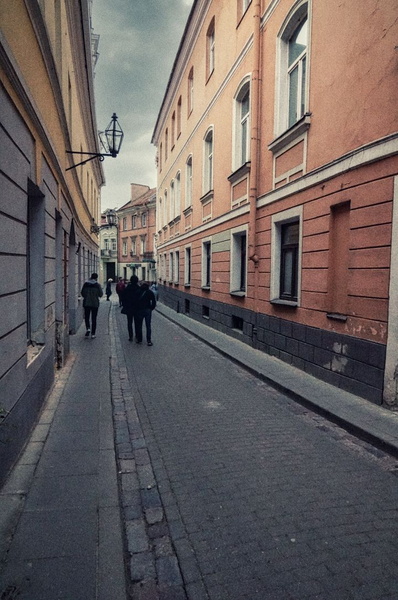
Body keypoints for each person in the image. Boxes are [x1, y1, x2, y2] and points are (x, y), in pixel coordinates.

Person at [81, 273, 103, 339]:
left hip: (86, 303)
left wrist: (87, 296)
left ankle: (88, 328)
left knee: (87, 317)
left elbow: (82, 293)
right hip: (95, 304)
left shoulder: (85, 284)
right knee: (94, 319)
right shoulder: (97, 285)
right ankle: (93, 334)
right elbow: (101, 294)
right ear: (96, 278)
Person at [135, 282, 157, 346]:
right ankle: (149, 340)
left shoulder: (138, 292)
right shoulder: (150, 292)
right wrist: (151, 308)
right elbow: (153, 301)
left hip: (139, 310)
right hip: (147, 310)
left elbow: (135, 301)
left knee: (139, 325)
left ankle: (139, 339)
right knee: (148, 326)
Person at [121, 275, 141, 341]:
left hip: (129, 308)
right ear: (137, 281)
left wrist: (124, 305)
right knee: (137, 322)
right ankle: (137, 335)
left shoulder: (127, 288)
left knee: (129, 322)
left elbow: (123, 298)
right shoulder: (139, 288)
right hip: (137, 308)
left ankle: (130, 336)